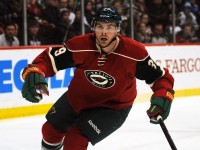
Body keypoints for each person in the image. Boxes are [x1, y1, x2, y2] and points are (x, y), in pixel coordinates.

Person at [21, 7, 175, 150]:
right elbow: (49, 60)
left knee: (75, 138)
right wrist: (35, 72)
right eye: (100, 26)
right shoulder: (80, 45)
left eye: (109, 27)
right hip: (78, 98)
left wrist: (163, 97)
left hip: (112, 107)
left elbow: (159, 77)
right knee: (49, 131)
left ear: (117, 29)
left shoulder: (134, 53)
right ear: (93, 27)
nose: (104, 32)